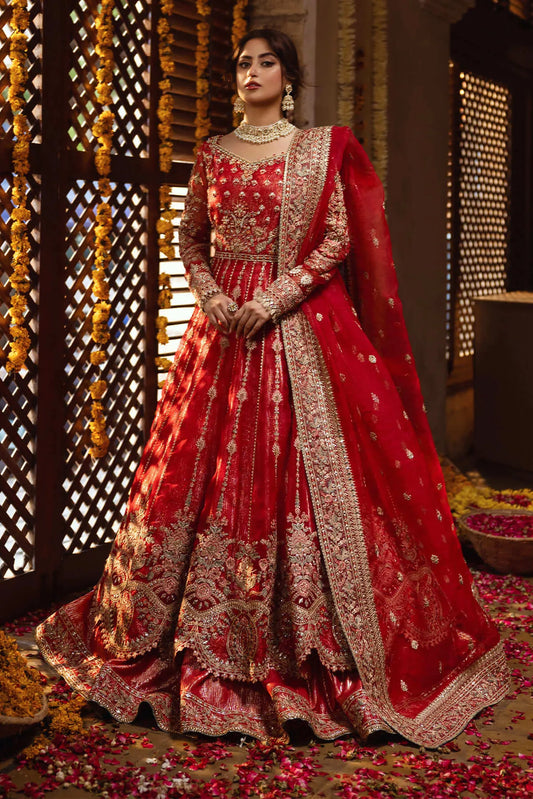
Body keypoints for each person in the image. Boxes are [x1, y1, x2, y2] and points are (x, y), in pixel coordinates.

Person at [37, 28, 509, 747]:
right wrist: (211, 296)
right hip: (222, 332)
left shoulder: (318, 149)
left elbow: (337, 239)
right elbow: (190, 237)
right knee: (196, 472)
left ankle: (310, 645)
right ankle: (192, 636)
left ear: (288, 78)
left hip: (299, 328)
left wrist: (273, 298)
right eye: (243, 63)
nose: (252, 72)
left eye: (266, 63)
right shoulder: (212, 153)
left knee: (310, 473)